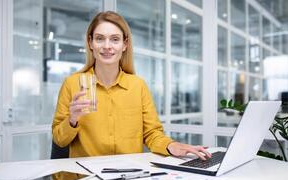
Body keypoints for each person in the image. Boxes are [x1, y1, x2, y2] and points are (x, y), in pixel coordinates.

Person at [52, 11, 211, 160]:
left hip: (128, 175)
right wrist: (72, 120)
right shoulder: (73, 84)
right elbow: (59, 140)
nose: (107, 46)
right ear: (90, 43)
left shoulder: (138, 86)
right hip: (84, 178)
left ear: (124, 44)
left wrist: (172, 145)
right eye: (100, 38)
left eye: (115, 39)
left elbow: (151, 134)